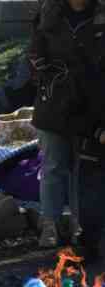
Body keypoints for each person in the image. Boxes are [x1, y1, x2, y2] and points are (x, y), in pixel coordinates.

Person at [29, 0, 105, 248]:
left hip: (90, 106)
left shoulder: (100, 15)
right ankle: (49, 223)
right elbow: (35, 52)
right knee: (53, 165)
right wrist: (46, 73)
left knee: (80, 169)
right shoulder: (48, 13)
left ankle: (78, 224)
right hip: (54, 102)